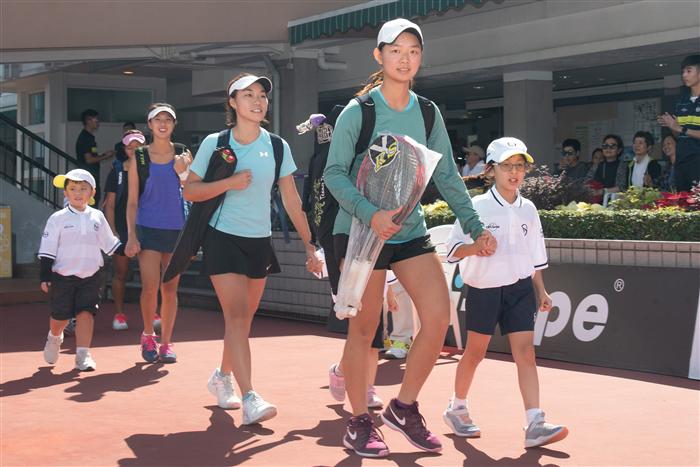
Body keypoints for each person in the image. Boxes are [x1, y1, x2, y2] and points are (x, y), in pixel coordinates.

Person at [324, 18, 495, 458]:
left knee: (437, 318)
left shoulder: (427, 112)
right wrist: (370, 214)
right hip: (361, 232)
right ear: (379, 55)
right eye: (396, 50)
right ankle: (359, 423)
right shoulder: (358, 111)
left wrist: (476, 226)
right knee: (365, 329)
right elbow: (334, 174)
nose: (405, 59)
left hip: (408, 230)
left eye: (413, 51)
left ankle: (403, 408)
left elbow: (447, 174)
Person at [184, 73, 322, 425]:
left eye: (262, 95)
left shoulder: (277, 146)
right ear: (232, 102)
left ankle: (222, 376)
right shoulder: (216, 143)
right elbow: (191, 191)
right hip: (221, 237)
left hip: (259, 240)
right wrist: (229, 182)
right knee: (235, 317)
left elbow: (291, 200)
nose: (258, 101)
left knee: (243, 322)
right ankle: (250, 397)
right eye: (248, 95)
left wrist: (310, 245)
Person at [443, 137, 568, 449]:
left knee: (526, 353)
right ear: (491, 170)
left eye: (520, 166)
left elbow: (534, 257)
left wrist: (541, 290)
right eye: (507, 166)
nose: (515, 172)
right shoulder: (476, 207)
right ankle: (457, 408)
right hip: (484, 289)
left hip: (520, 289)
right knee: (475, 353)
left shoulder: (529, 209)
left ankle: (535, 422)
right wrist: (475, 247)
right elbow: (452, 251)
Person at [125, 103, 192, 364]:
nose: (163, 124)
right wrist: (131, 235)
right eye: (158, 120)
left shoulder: (184, 152)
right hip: (148, 228)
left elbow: (193, 190)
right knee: (150, 288)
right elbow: (132, 201)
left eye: (168, 120)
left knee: (170, 290)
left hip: (177, 230)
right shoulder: (140, 157)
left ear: (174, 124)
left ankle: (166, 343)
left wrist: (183, 171)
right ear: (150, 125)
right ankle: (148, 335)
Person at [39, 169, 121, 371]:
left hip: (91, 276)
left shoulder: (98, 217)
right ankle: (54, 337)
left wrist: (129, 248)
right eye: (73, 189)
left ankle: (83, 355)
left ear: (92, 193)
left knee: (86, 313)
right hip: (63, 276)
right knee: (61, 317)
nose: (78, 193)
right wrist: (45, 275)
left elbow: (110, 244)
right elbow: (47, 249)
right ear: (65, 193)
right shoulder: (57, 218)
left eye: (83, 188)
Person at [103, 129, 145, 331]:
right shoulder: (117, 171)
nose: (134, 150)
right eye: (130, 146)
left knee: (150, 275)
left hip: (147, 227)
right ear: (124, 148)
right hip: (122, 227)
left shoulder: (151, 170)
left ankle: (153, 313)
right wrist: (113, 231)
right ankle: (119, 314)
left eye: (138, 146)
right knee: (121, 272)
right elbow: (110, 205)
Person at [657, 54, 700, 191]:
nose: (684, 75)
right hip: (681, 161)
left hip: (698, 160)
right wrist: (671, 126)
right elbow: (678, 135)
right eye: (682, 72)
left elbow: (683, 130)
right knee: (682, 199)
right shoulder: (681, 102)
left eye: (689, 71)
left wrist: (681, 129)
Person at [75, 109, 115, 207]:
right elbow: (89, 160)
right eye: (96, 120)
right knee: (90, 204)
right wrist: (105, 156)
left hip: (91, 178)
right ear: (88, 120)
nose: (98, 122)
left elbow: (92, 156)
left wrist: (103, 155)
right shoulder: (85, 138)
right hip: (87, 179)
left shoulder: (89, 137)